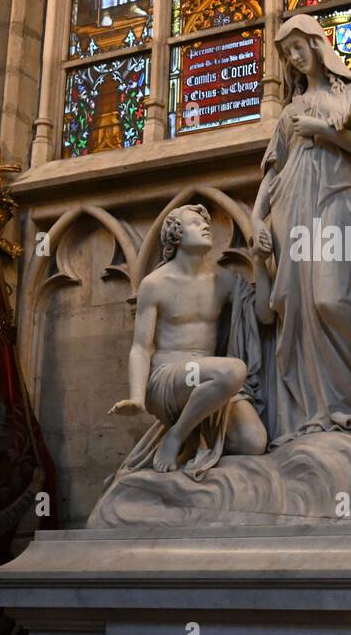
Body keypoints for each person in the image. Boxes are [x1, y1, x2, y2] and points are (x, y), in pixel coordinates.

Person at [251, 15, 351, 446]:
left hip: (339, 197)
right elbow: (271, 173)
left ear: (318, 44)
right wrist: (255, 218)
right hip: (291, 207)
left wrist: (325, 133)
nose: (294, 58)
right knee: (297, 306)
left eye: (298, 46)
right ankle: (316, 413)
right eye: (286, 54)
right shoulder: (289, 112)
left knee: (333, 298)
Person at [108, 204, 268, 478]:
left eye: (207, 223)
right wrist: (137, 398)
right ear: (175, 235)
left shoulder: (226, 281)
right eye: (195, 223)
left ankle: (193, 434)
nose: (206, 226)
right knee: (234, 370)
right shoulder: (155, 283)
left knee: (253, 442)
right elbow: (140, 347)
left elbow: (264, 315)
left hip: (213, 379)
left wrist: (261, 263)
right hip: (168, 379)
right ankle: (176, 436)